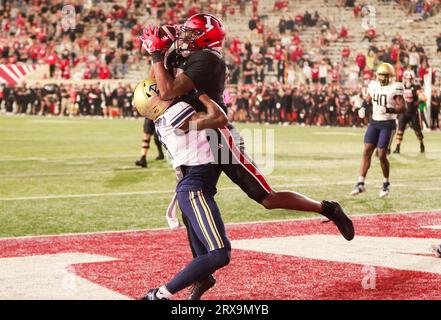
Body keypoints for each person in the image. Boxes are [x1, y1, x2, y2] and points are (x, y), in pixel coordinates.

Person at [141, 14, 354, 299]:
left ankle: (328, 209)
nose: (185, 38)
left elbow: (166, 90)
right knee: (192, 193)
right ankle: (201, 276)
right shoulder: (192, 56)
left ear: (205, 39)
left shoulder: (208, 59)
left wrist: (157, 53)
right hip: (198, 135)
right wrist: (162, 48)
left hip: (217, 135)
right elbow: (160, 81)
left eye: (191, 34)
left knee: (265, 197)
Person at [132, 78, 229, 300]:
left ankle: (192, 287)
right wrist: (201, 92)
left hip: (192, 187)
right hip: (195, 188)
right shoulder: (178, 111)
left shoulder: (164, 119)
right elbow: (219, 117)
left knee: (204, 258)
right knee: (219, 254)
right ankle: (158, 295)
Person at [351, 63, 406, 198]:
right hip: (374, 122)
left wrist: (388, 109)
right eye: (381, 74)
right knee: (367, 150)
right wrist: (363, 107)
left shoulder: (395, 88)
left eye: (385, 75)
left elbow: (402, 108)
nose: (382, 77)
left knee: (381, 154)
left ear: (390, 76)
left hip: (388, 124)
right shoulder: (373, 85)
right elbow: (368, 99)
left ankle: (386, 183)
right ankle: (360, 183)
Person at [392, 72, 426, 154]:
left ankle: (421, 143)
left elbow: (423, 98)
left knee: (417, 131)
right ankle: (397, 147)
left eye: (409, 79)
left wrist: (418, 101)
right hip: (403, 113)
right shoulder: (401, 87)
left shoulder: (415, 87)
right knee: (400, 130)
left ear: (412, 79)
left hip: (413, 113)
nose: (408, 80)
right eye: (407, 78)